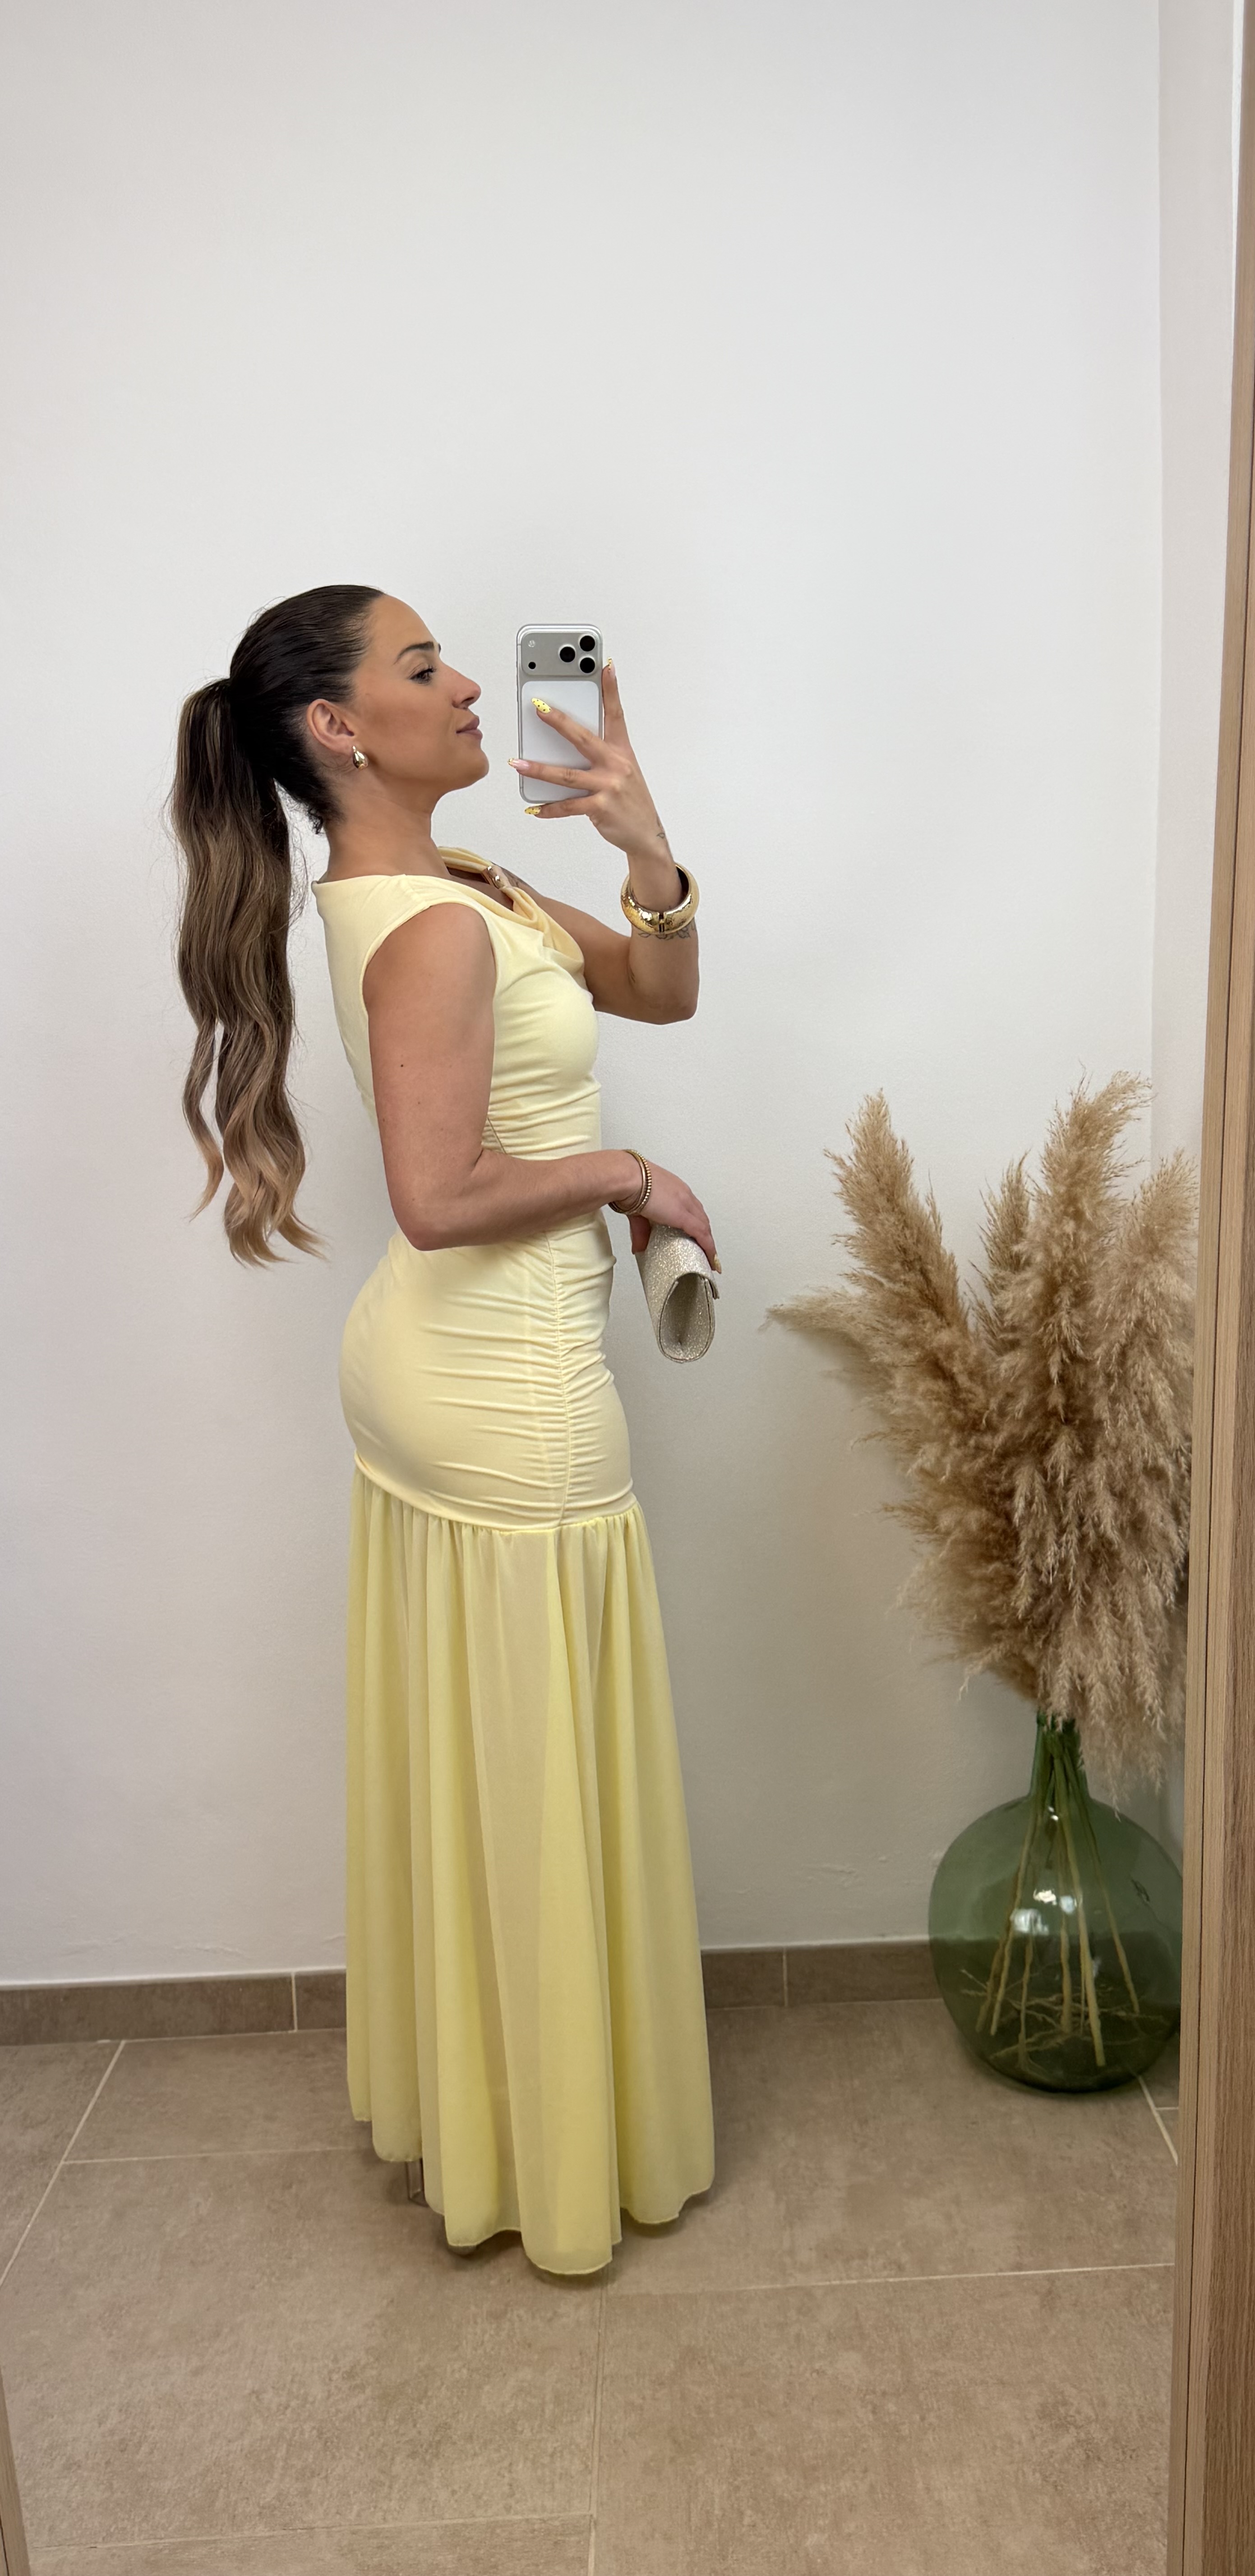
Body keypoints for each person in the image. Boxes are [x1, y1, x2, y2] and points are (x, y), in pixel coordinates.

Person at [169, 584, 716, 2275]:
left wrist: (646, 844)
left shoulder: (462, 884)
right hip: (501, 1389)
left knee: (500, 1767)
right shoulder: (432, 927)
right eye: (423, 668)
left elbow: (662, 992)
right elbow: (438, 1192)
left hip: (459, 1372)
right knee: (535, 1776)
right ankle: (546, 2162)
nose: (473, 681)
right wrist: (631, 1174)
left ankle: (499, 2120)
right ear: (339, 730)